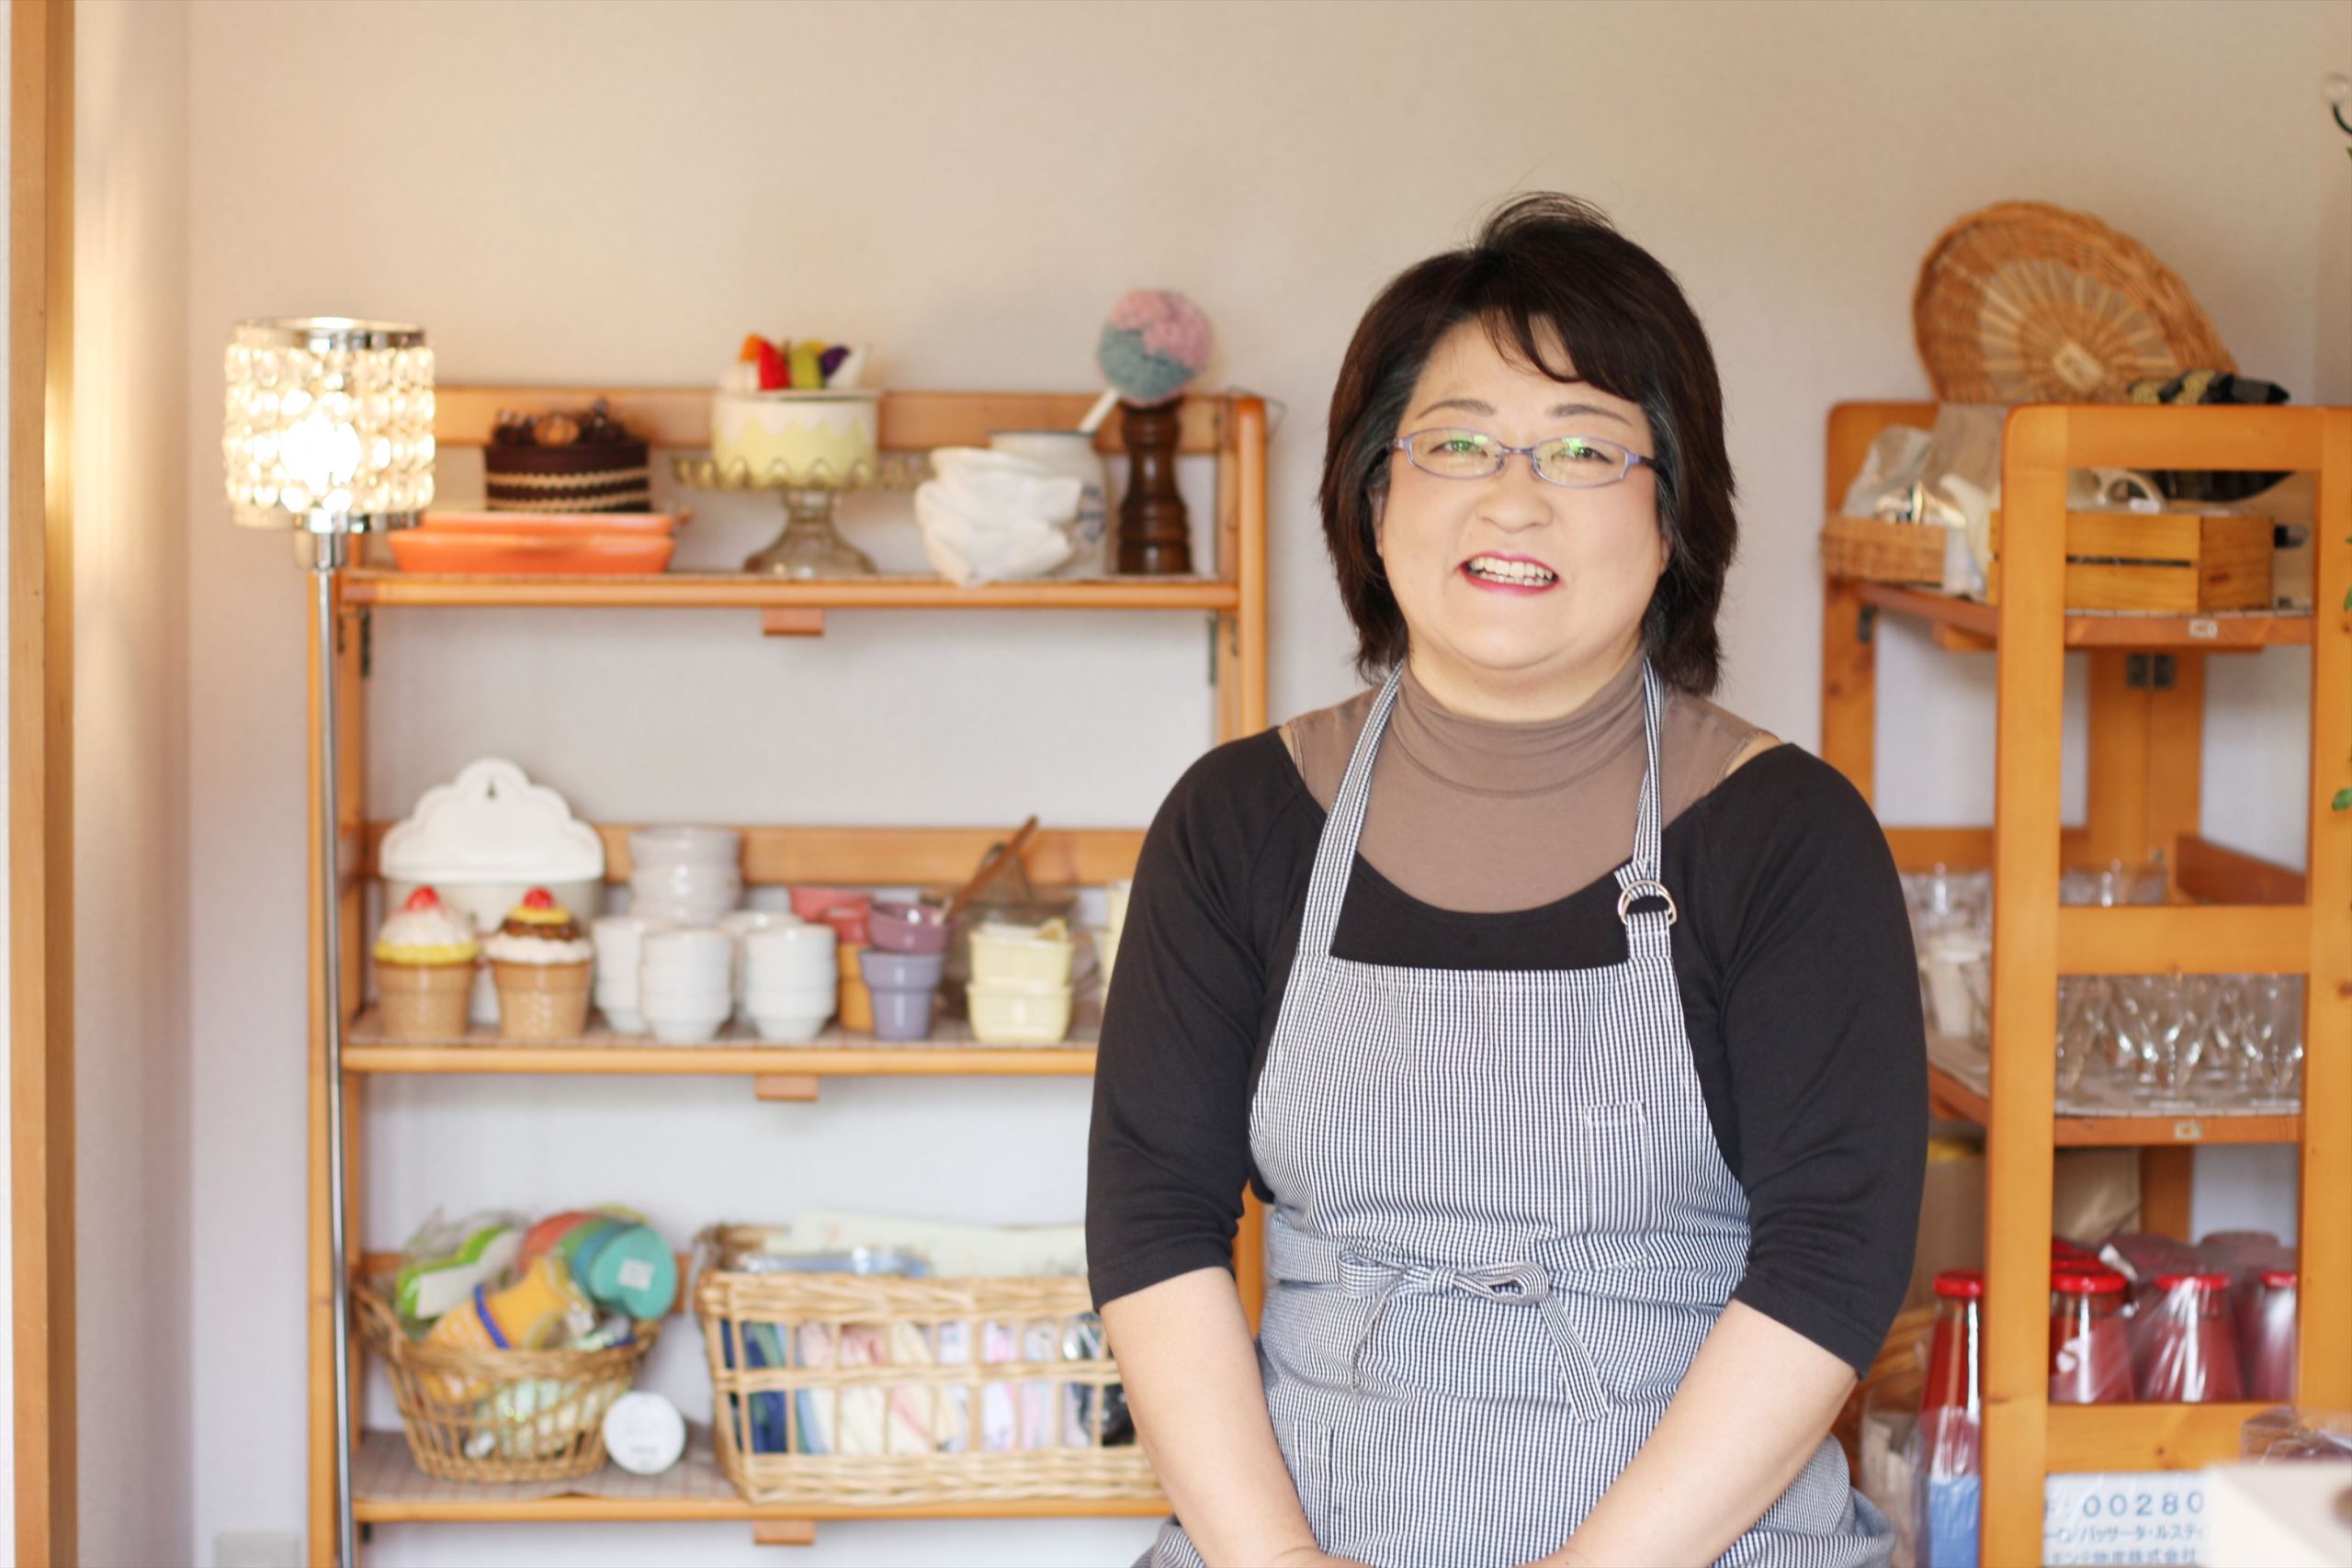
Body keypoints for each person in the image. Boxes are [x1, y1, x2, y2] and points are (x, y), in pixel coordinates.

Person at [1085, 193, 1924, 1568]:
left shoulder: (1785, 836)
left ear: (1674, 518)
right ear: (1376, 492)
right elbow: (1154, 1218)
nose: (1513, 493)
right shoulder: (1237, 825)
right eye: (1458, 442)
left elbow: (1833, 1253)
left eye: (1585, 447)